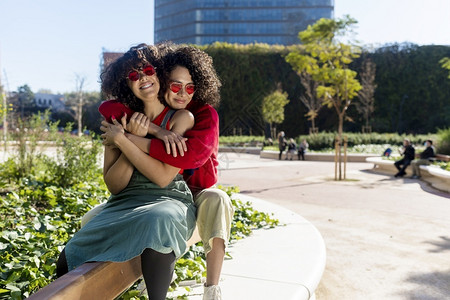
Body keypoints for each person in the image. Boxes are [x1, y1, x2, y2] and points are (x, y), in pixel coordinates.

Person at [83, 43, 233, 300]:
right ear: (163, 82)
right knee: (91, 218)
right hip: (152, 192)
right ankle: (147, 271)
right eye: (175, 85)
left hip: (193, 188)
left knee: (218, 200)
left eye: (190, 87)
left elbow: (187, 156)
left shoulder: (199, 114)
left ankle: (212, 288)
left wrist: (128, 138)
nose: (182, 93)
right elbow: (108, 109)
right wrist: (149, 132)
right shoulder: (140, 112)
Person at [56, 44, 197, 300]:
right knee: (69, 255)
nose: (142, 77)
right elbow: (115, 185)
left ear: (158, 74)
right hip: (124, 203)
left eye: (147, 70)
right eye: (133, 75)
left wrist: (125, 140)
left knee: (159, 220)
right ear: (126, 85)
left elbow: (163, 177)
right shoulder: (116, 121)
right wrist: (127, 136)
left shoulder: (181, 118)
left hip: (168, 200)